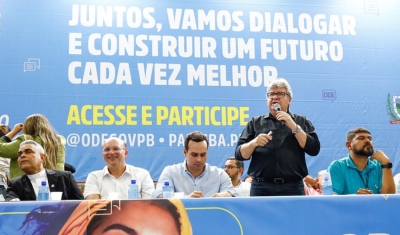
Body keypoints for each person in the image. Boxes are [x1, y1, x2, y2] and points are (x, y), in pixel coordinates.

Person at [235, 78, 320, 196]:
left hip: (293, 187)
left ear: (289, 99)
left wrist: (294, 127)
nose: (275, 97)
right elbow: (239, 154)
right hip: (261, 187)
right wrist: (254, 143)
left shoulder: (301, 121)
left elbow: (314, 149)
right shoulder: (255, 123)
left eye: (280, 94)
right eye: (271, 94)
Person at [153, 131, 238, 198]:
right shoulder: (171, 172)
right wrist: (186, 199)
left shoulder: (219, 174)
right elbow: (159, 196)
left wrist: (222, 195)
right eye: (194, 155)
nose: (199, 159)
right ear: (185, 152)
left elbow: (233, 194)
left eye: (203, 155)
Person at [5, 140, 83, 201]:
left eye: (28, 152)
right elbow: (12, 207)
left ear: (42, 158)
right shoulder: (15, 184)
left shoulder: (65, 177)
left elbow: (81, 205)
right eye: (19, 154)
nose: (22, 155)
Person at [328, 127, 395, 195]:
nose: (367, 141)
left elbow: (389, 199)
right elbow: (332, 199)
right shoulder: (337, 167)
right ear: (349, 145)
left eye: (370, 138)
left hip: (376, 206)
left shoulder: (379, 165)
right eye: (361, 138)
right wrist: (356, 198)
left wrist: (386, 163)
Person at [84, 137, 154, 199]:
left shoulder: (142, 174)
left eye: (116, 149)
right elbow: (92, 207)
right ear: (102, 155)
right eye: (107, 149)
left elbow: (149, 204)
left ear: (125, 153)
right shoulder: (94, 177)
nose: (111, 152)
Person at [0, 114, 66, 179]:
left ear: (27, 127)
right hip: (55, 180)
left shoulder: (26, 141)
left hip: (25, 184)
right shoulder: (58, 141)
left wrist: (13, 132)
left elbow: (1, 149)